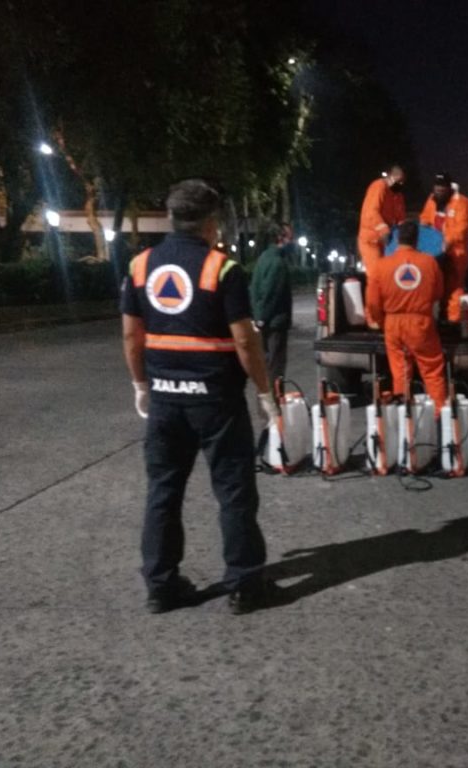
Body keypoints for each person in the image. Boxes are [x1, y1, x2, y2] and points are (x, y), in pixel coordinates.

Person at [120, 178, 280, 616]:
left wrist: (141, 384)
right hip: (217, 403)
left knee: (163, 491)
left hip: (165, 401)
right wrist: (264, 392)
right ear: (212, 222)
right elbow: (245, 341)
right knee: (234, 491)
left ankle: (161, 587)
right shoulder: (222, 269)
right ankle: (245, 585)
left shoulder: (141, 266)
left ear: (171, 218)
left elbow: (132, 336)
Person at [365, 218, 447, 409]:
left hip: (393, 324)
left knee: (400, 372)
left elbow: (372, 302)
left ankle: (405, 415)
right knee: (432, 371)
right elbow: (438, 293)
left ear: (397, 239)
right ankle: (438, 415)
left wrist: (382, 321)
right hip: (421, 323)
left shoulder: (381, 266)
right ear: (417, 239)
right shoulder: (429, 263)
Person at [419, 173, 468, 323]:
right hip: (435, 251)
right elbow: (424, 219)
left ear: (449, 188)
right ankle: (433, 318)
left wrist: (448, 242)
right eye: (437, 187)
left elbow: (462, 227)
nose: (439, 191)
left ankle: (453, 321)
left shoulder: (462, 203)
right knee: (432, 286)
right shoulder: (432, 200)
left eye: (442, 188)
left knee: (454, 287)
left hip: (456, 253)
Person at [249, 222, 294, 384]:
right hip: (275, 323)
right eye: (290, 238)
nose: (292, 242)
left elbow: (254, 289)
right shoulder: (277, 263)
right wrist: (262, 318)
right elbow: (271, 294)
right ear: (281, 238)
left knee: (266, 364)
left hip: (264, 322)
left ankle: (264, 398)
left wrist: (257, 318)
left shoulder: (263, 258)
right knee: (275, 368)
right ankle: (274, 398)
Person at [358, 165, 407, 282]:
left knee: (390, 275)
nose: (400, 184)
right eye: (398, 181)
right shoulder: (379, 187)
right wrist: (384, 230)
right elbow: (371, 212)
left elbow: (400, 218)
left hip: (386, 241)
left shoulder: (398, 196)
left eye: (402, 182)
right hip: (371, 241)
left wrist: (404, 232)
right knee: (376, 276)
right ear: (390, 177)